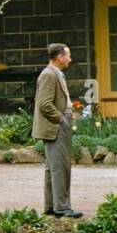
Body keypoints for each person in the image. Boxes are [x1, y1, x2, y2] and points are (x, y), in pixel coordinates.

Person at [31, 43, 82, 218]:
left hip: (58, 123)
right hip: (55, 125)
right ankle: (62, 206)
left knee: (53, 167)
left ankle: (52, 205)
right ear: (59, 57)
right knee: (60, 167)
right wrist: (61, 119)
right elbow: (44, 103)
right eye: (68, 55)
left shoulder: (55, 73)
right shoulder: (48, 74)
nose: (70, 58)